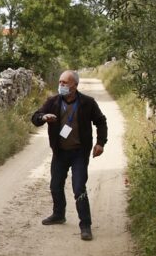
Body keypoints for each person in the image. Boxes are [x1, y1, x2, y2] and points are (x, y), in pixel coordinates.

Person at [31, 70, 108, 241]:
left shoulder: (88, 103)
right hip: (60, 152)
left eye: (65, 82)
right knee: (55, 185)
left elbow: (101, 122)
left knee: (79, 187)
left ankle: (85, 225)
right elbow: (35, 118)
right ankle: (59, 214)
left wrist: (101, 143)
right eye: (60, 82)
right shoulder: (53, 102)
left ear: (75, 85)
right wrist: (43, 117)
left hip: (79, 152)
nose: (61, 85)